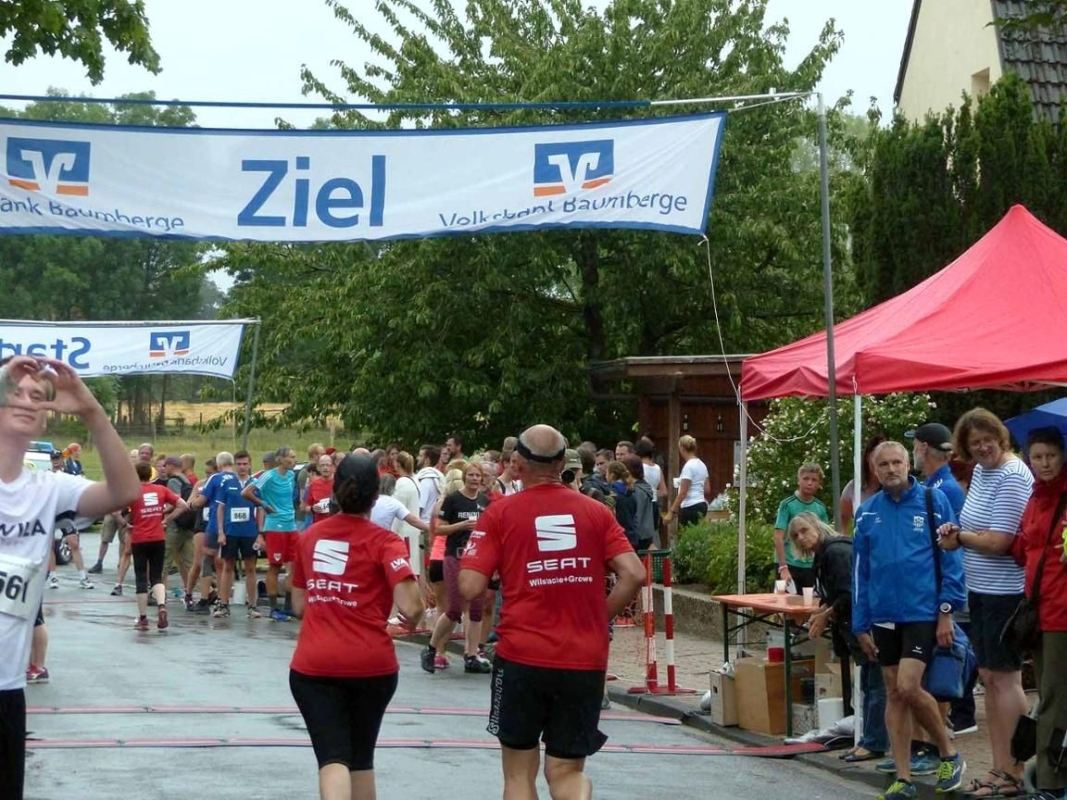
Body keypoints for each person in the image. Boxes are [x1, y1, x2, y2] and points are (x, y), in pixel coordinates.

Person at [458, 424, 645, 800]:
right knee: (566, 771)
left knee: (518, 774)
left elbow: (471, 587)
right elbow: (635, 574)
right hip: (583, 658)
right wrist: (598, 617)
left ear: (516, 464)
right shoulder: (596, 513)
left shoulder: (499, 514)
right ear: (562, 463)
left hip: (521, 656)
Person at [0, 355, 140, 800]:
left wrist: (91, 411)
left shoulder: (47, 489)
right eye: (14, 393)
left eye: (38, 398)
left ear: (46, 420)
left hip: (6, 687)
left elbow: (125, 492)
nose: (27, 402)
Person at [289, 454, 424, 800]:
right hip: (371, 665)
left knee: (333, 757)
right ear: (376, 497)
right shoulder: (385, 542)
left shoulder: (308, 539)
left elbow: (299, 606)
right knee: (361, 758)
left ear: (333, 490)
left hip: (315, 664)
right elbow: (411, 608)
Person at [852, 442, 966, 800]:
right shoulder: (867, 513)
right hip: (883, 614)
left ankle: (948, 752)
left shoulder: (933, 501)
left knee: (908, 685)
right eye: (883, 464)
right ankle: (903, 777)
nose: (891, 469)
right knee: (893, 693)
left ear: (907, 464)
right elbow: (861, 572)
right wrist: (860, 624)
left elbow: (951, 559)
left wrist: (947, 610)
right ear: (874, 469)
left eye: (897, 462)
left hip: (922, 611)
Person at [936, 408, 1033, 799]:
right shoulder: (980, 472)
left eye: (987, 439)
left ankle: (1014, 770)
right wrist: (956, 529)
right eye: (973, 444)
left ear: (1000, 436)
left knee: (1006, 679)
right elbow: (976, 525)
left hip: (1007, 591)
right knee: (989, 679)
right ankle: (998, 768)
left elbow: (1000, 541)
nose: (982, 447)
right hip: (981, 588)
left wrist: (960, 538)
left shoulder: (1012, 475)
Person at [791, 512, 889, 763]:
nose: (801, 538)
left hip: (868, 625)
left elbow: (849, 593)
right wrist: (822, 611)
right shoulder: (823, 556)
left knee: (876, 685)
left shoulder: (835, 552)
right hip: (856, 627)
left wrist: (827, 614)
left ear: (816, 525)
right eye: (795, 536)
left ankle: (876, 742)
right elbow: (834, 593)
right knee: (868, 684)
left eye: (804, 530)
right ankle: (869, 739)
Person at [908, 422, 975, 737]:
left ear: (922, 447)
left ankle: (937, 744)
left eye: (913, 447)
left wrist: (946, 605)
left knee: (942, 666)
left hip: (945, 592)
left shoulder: (941, 491)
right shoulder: (940, 485)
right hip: (942, 590)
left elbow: (948, 550)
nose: (912, 454)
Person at [420, 462, 492, 674]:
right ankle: (431, 649)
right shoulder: (453, 500)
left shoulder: (484, 502)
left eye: (477, 476)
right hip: (455, 557)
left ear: (482, 479)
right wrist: (461, 526)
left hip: (477, 559)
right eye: (470, 475)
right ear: (464, 477)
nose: (474, 479)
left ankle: (471, 655)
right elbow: (439, 529)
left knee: (477, 608)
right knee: (454, 608)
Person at [127, 461, 189, 631]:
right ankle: (162, 605)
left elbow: (117, 511)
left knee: (141, 577)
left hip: (139, 538)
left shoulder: (132, 492)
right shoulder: (161, 490)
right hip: (158, 537)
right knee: (157, 575)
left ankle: (143, 618)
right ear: (151, 474)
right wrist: (166, 519)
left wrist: (125, 524)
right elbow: (183, 505)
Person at [243, 445, 299, 621]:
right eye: (291, 457)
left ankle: (289, 606)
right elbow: (246, 491)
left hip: (291, 525)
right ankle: (274, 608)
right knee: (275, 565)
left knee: (295, 564)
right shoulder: (269, 475)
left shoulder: (291, 475)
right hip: (275, 526)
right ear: (281, 459)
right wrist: (263, 504)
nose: (294, 460)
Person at [773, 463, 829, 594]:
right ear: (799, 480)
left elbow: (824, 538)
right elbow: (778, 536)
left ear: (819, 483)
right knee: (782, 604)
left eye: (814, 480)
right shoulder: (787, 505)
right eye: (806, 479)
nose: (809, 483)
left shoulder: (820, 508)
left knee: (808, 603)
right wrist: (783, 567)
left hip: (810, 565)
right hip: (789, 562)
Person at [839, 435, 886, 533]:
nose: (879, 462)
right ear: (868, 457)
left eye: (883, 459)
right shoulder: (853, 487)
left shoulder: (894, 487)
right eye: (876, 456)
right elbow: (843, 517)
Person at [662, 435, 710, 529]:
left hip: (690, 506)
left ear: (682, 448)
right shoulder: (702, 465)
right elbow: (707, 489)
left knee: (687, 537)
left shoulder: (688, 467)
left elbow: (682, 493)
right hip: (701, 504)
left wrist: (671, 512)